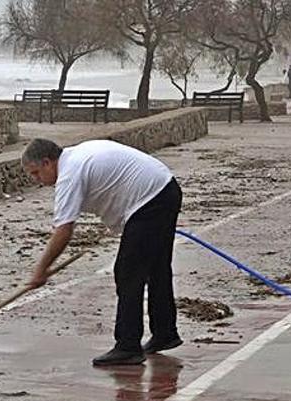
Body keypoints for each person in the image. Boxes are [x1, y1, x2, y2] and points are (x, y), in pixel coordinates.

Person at [21, 138, 183, 367]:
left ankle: (128, 346)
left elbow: (64, 230)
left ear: (47, 162)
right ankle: (165, 332)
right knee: (156, 267)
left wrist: (40, 270)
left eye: (36, 173)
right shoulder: (76, 157)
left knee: (127, 272)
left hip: (151, 199)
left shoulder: (69, 172)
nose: (37, 180)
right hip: (165, 188)